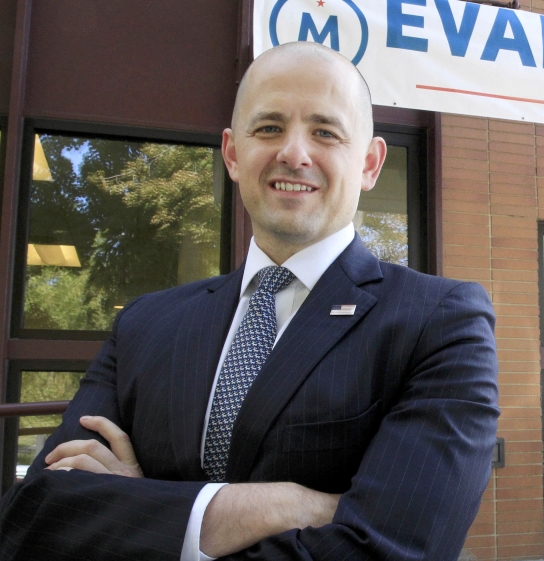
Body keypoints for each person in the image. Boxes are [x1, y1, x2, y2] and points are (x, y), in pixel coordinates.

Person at [0, 41, 499, 561]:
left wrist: (139, 508)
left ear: (370, 163)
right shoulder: (144, 325)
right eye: (269, 128)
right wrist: (287, 505)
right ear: (233, 154)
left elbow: (389, 550)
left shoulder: (440, 323)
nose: (294, 153)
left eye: (325, 132)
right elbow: (32, 518)